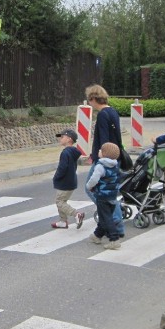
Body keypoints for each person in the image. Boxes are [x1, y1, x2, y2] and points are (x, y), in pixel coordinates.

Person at [84, 84, 126, 236]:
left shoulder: (102, 115)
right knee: (109, 193)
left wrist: (99, 158)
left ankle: (113, 220)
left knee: (92, 190)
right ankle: (113, 218)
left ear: (94, 98)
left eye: (89, 100)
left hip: (105, 160)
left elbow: (104, 140)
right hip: (115, 158)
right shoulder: (113, 111)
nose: (89, 103)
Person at [85, 142, 123, 250]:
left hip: (102, 196)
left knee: (106, 218)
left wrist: (88, 186)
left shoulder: (100, 166)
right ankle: (97, 235)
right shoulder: (115, 165)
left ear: (105, 154)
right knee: (104, 216)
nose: (99, 151)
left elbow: (94, 179)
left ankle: (114, 239)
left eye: (101, 150)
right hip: (112, 195)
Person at [51, 128, 85, 229]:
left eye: (62, 137)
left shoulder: (65, 153)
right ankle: (62, 221)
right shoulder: (73, 152)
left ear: (69, 139)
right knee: (61, 200)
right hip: (71, 181)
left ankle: (76, 214)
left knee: (60, 202)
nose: (60, 139)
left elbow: (62, 167)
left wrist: (56, 177)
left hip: (64, 182)